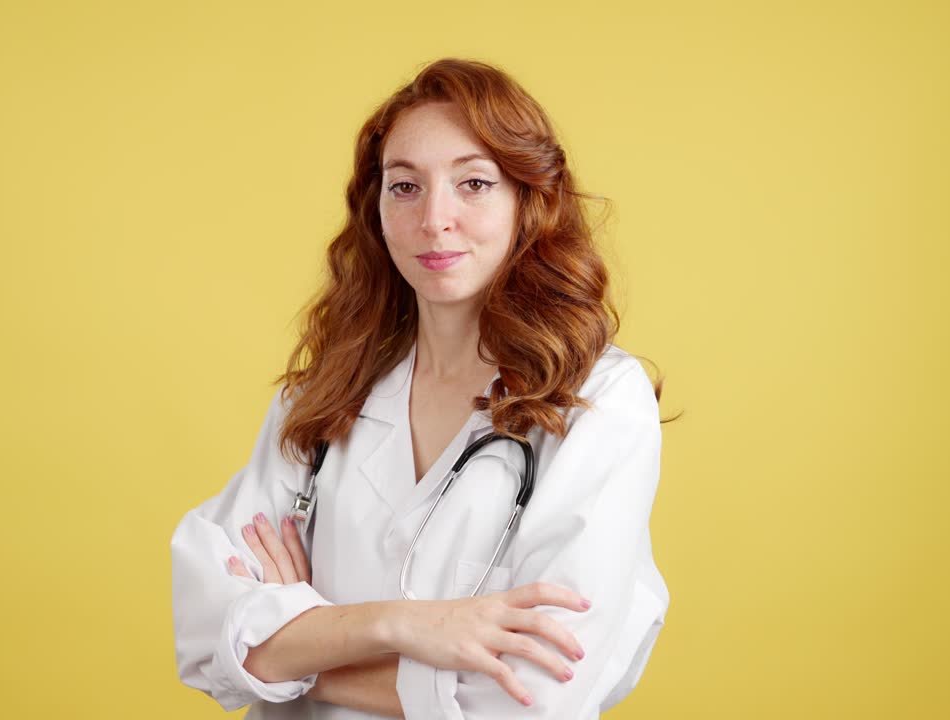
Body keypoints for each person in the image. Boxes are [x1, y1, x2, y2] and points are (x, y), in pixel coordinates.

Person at [171, 57, 672, 719]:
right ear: (375, 209)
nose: (435, 219)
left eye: (474, 183)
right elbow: (208, 637)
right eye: (405, 187)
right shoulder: (323, 395)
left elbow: (526, 698)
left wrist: (298, 651)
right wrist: (402, 625)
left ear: (528, 201)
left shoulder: (598, 402)